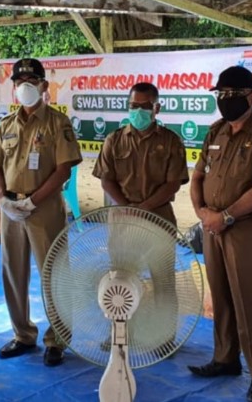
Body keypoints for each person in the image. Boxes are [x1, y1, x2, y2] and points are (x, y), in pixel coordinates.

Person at [188, 66, 252, 402]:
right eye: (221, 95)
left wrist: (227, 216)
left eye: (233, 95)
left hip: (245, 228)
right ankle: (225, 358)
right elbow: (198, 177)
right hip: (213, 228)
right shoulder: (215, 131)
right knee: (220, 296)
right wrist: (203, 213)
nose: (225, 101)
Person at [0, 58, 82, 367]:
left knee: (54, 273)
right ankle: (23, 335)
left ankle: (57, 339)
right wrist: (3, 200)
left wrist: (33, 201)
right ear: (13, 88)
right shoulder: (6, 125)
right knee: (13, 272)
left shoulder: (57, 123)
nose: (25, 87)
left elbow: (64, 168)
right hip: (11, 209)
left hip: (44, 208)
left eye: (31, 81)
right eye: (19, 82)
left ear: (43, 85)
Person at [92, 82, 189, 351]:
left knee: (163, 281)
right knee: (121, 281)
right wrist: (126, 206)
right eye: (133, 106)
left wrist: (144, 207)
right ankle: (122, 332)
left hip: (158, 219)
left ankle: (164, 338)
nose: (138, 111)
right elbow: (106, 180)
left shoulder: (170, 141)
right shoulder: (114, 139)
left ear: (156, 108)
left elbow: (173, 184)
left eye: (144, 107)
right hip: (122, 220)